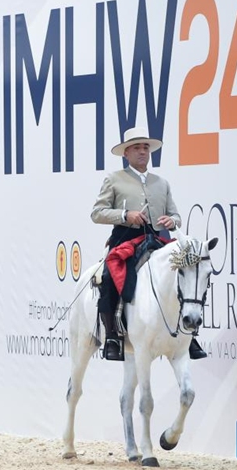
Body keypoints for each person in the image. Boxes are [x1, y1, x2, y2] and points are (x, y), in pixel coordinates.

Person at [91, 127, 206, 361]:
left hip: (156, 239)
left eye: (145, 147)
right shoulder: (114, 179)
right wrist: (125, 215)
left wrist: (170, 220)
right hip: (125, 238)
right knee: (110, 277)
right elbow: (97, 213)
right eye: (137, 147)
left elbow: (176, 215)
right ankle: (112, 335)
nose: (142, 151)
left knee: (188, 272)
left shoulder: (161, 183)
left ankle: (189, 335)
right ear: (126, 153)